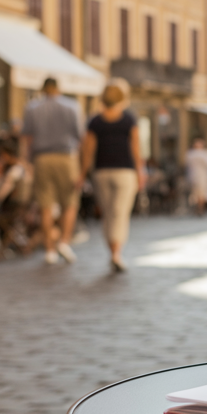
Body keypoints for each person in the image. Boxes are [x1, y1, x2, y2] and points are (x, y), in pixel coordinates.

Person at [79, 78, 144, 272]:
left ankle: (112, 251)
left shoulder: (95, 121)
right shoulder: (129, 119)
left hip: (101, 171)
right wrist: (140, 172)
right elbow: (136, 149)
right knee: (120, 213)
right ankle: (117, 253)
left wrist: (82, 174)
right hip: (125, 172)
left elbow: (87, 151)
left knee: (108, 213)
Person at [20, 77, 85, 265]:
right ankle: (64, 241)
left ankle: (49, 249)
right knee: (70, 202)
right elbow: (80, 136)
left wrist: (27, 162)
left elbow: (27, 138)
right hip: (66, 157)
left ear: (43, 89)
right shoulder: (72, 106)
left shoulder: (32, 107)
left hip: (42, 158)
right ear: (58, 88)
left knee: (45, 205)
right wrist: (81, 167)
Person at [185, 138, 207, 217]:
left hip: (202, 177)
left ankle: (201, 209)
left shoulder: (205, 154)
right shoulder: (190, 154)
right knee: (196, 194)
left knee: (202, 194)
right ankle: (198, 209)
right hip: (194, 177)